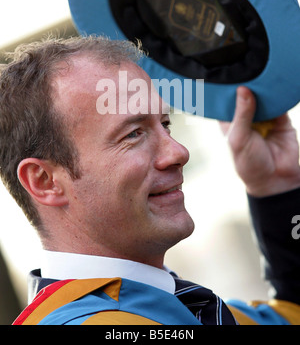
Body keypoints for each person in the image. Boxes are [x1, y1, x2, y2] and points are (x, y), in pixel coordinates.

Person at [0, 35, 299, 325]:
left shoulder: (173, 307)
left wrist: (275, 186)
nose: (178, 151)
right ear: (44, 181)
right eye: (133, 134)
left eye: (166, 124)